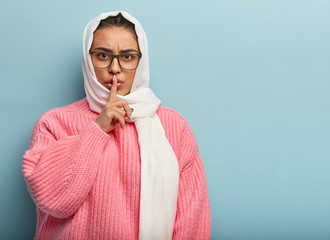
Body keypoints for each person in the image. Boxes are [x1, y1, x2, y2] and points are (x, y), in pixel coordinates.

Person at [22, 11, 211, 240]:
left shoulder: (173, 127)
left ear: (141, 61)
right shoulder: (54, 123)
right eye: (103, 55)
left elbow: (192, 221)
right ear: (87, 59)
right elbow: (53, 199)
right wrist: (97, 129)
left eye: (128, 57)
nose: (115, 68)